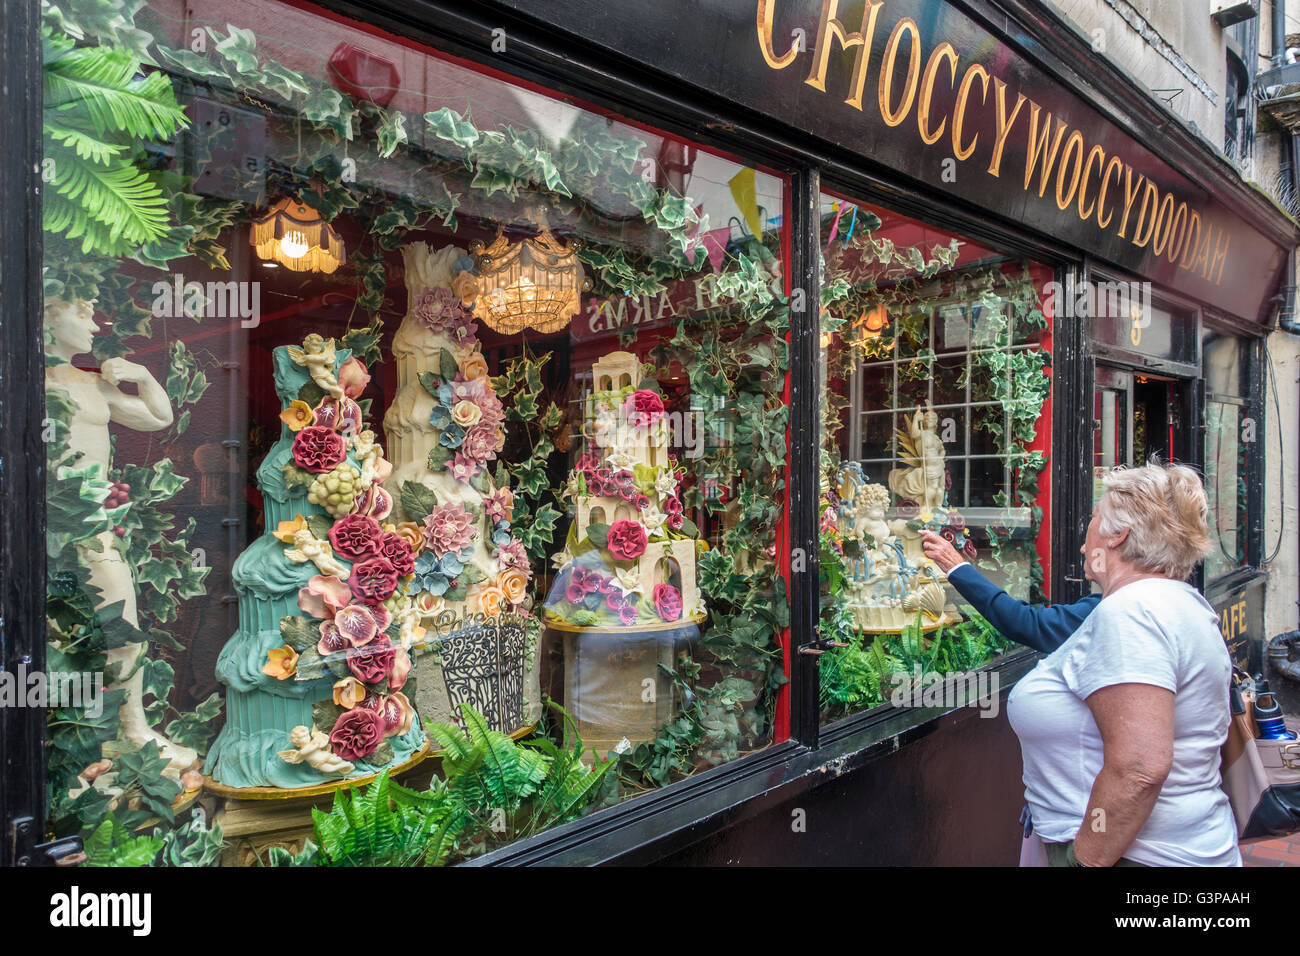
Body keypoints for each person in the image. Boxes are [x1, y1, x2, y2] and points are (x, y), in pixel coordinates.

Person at [1005, 460, 1240, 866]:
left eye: (1093, 522)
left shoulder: (1131, 613)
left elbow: (1139, 770)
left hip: (1138, 856)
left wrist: (1085, 857)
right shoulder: (1180, 602)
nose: (1083, 544)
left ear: (1118, 536)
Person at [920, 531, 1098, 654]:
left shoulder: (1108, 608)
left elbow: (1028, 623)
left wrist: (957, 568)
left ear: (1118, 538)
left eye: (1092, 537)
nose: (1083, 549)